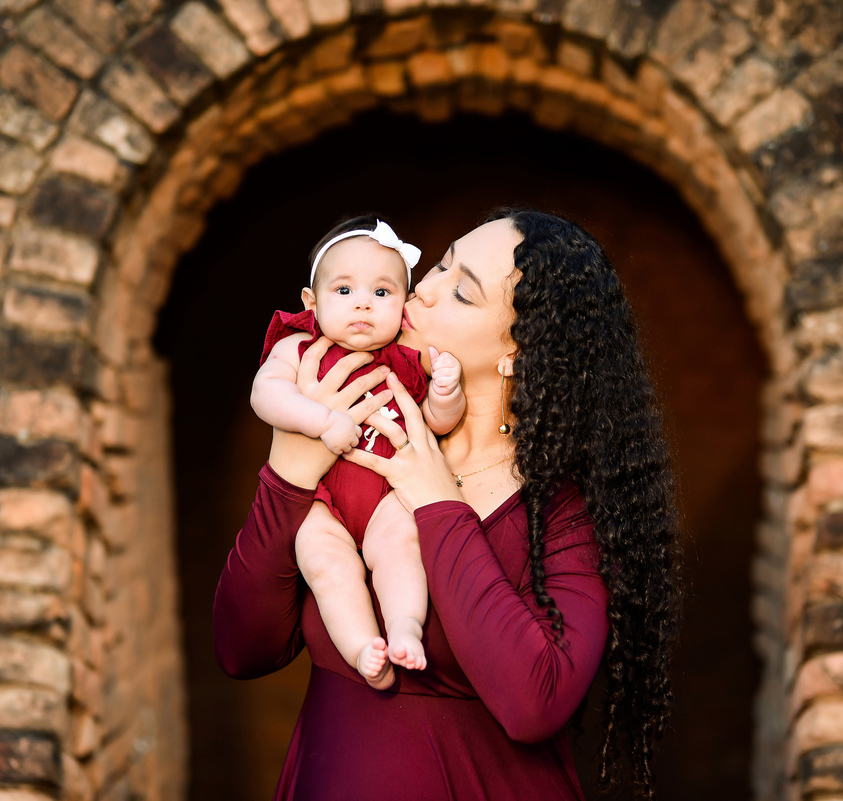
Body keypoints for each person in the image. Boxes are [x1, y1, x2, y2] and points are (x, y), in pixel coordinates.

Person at [216, 208, 685, 801]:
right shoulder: (353, 445)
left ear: (521, 351)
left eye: (461, 291)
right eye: (439, 263)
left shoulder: (563, 515)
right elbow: (241, 649)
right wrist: (288, 472)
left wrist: (439, 504)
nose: (425, 290)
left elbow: (534, 702)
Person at [250, 215, 466, 689]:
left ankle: (405, 627)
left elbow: (431, 424)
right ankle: (362, 648)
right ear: (312, 301)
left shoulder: (407, 357)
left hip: (386, 494)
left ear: (403, 306)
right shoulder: (299, 345)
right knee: (327, 566)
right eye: (344, 291)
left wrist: (446, 395)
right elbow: (265, 396)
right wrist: (322, 421)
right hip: (320, 503)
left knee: (400, 549)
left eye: (382, 293)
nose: (363, 303)